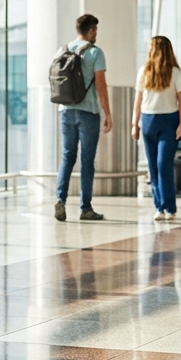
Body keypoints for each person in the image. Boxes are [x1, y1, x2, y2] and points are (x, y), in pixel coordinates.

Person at [54, 14, 112, 222]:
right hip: (88, 112)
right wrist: (107, 112)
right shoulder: (95, 52)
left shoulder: (62, 50)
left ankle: (60, 200)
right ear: (90, 31)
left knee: (68, 156)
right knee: (87, 160)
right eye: (95, 30)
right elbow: (101, 85)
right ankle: (85, 208)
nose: (96, 34)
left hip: (65, 110)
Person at [131, 36, 181, 222]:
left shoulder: (175, 73)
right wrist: (134, 124)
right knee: (153, 167)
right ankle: (159, 207)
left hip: (168, 121)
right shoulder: (144, 72)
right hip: (148, 120)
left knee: (164, 164)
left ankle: (169, 207)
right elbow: (138, 101)